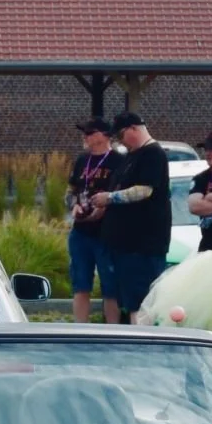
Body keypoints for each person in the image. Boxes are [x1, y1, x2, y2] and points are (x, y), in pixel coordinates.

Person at [86, 110, 170, 320]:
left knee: (141, 303)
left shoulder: (153, 154)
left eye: (121, 134)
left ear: (134, 129)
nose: (121, 141)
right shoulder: (131, 156)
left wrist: (110, 197)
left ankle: (142, 344)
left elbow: (144, 190)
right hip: (123, 244)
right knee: (127, 301)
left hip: (142, 245)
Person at [66, 118, 121, 323]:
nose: (85, 137)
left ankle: (113, 331)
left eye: (90, 133)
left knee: (110, 286)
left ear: (103, 135)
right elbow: (71, 190)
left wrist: (104, 209)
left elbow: (120, 194)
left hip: (105, 232)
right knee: (80, 284)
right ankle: (80, 329)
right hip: (81, 231)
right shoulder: (82, 160)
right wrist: (74, 205)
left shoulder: (117, 161)